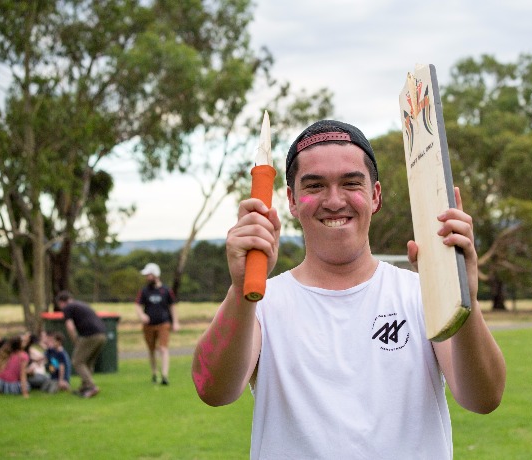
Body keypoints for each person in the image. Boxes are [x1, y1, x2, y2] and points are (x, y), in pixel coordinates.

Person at [192, 120, 507, 458]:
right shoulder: (262, 303)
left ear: (375, 196)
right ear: (292, 201)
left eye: (350, 183)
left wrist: (466, 299)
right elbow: (213, 389)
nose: (334, 200)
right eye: (314, 186)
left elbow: (483, 398)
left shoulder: (420, 294)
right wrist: (241, 288)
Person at [55, 291, 106, 398]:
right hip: (102, 335)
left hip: (89, 335)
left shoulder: (68, 308)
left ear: (61, 302)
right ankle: (84, 388)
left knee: (77, 361)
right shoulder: (81, 304)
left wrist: (75, 341)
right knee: (88, 362)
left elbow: (70, 326)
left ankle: (92, 387)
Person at [134, 262, 178, 385]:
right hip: (148, 325)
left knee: (163, 349)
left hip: (163, 323)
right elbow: (137, 305)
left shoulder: (166, 290)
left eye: (149, 275)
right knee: (151, 350)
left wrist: (175, 322)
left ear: (155, 274)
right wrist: (142, 315)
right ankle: (154, 373)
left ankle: (165, 375)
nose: (147, 277)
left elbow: (173, 306)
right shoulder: (144, 291)